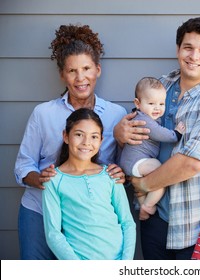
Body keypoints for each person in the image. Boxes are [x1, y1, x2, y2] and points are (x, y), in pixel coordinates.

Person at [115, 17, 200, 259]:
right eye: (188, 47)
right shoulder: (159, 86)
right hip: (154, 218)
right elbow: (135, 131)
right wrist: (120, 133)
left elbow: (191, 163)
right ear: (178, 49)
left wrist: (144, 185)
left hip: (194, 226)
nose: (194, 56)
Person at [13, 24, 136, 260]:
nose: (81, 78)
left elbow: (125, 165)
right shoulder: (43, 114)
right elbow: (23, 165)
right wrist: (43, 180)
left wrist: (124, 175)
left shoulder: (115, 114)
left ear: (97, 70)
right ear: (62, 74)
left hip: (87, 220)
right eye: (72, 71)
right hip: (39, 209)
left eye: (87, 68)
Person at [42, 108, 136, 260]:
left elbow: (127, 222)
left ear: (101, 141)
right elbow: (53, 234)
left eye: (94, 136)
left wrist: (125, 263)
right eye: (79, 135)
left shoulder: (110, 175)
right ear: (66, 136)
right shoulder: (54, 180)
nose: (86, 142)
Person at [119, 77, 185, 221]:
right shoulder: (145, 121)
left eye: (161, 103)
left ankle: (142, 206)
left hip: (132, 162)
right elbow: (159, 133)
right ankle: (148, 205)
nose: (157, 108)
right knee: (160, 173)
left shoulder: (139, 115)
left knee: (142, 188)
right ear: (138, 103)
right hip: (137, 161)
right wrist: (176, 134)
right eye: (151, 103)